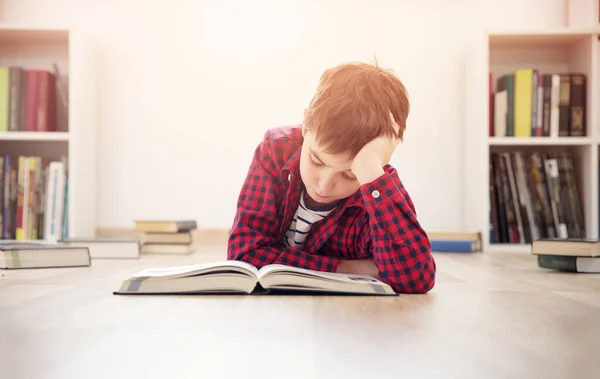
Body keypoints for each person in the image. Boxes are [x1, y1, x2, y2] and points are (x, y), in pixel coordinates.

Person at [227, 60, 436, 294]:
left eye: (349, 174)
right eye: (317, 161)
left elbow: (415, 278)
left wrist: (368, 170)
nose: (324, 185)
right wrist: (344, 267)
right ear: (306, 124)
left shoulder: (376, 185)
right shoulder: (276, 150)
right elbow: (243, 256)